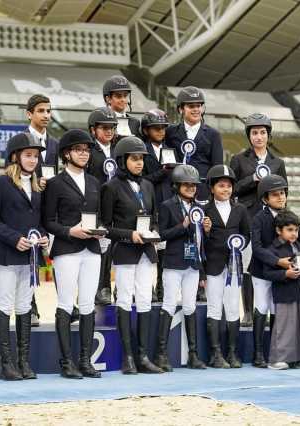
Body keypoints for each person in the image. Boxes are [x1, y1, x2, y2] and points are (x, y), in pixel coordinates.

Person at [0, 132, 48, 381]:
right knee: (5, 304)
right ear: (15, 156)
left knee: (24, 307)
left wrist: (41, 236)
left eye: (35, 156)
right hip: (8, 255)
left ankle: (23, 361)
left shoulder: (37, 186)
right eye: (28, 155)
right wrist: (14, 238)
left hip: (30, 257)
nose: (33, 160)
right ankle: (6, 364)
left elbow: (39, 222)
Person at [43, 129, 103, 379]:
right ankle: (67, 361)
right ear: (66, 153)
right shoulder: (55, 183)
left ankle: (86, 360)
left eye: (87, 150)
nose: (84, 154)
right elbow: (48, 221)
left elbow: (98, 216)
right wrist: (69, 231)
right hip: (67, 249)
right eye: (79, 150)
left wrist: (99, 231)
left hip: (92, 249)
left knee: (88, 304)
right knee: (66, 302)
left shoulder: (94, 183)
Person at [101, 136, 163, 375]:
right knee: (125, 300)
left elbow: (154, 217)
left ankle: (143, 356)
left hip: (146, 251)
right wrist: (129, 234)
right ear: (122, 160)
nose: (139, 163)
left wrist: (154, 232)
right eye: (134, 159)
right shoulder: (111, 187)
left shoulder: (148, 185)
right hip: (126, 251)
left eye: (141, 159)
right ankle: (128, 357)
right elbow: (106, 225)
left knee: (145, 300)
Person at [230, 113, 288, 327]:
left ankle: (272, 312)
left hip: (272, 222)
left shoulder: (278, 162)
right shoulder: (238, 160)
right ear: (249, 136)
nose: (258, 137)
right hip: (248, 219)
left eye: (262, 132)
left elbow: (284, 192)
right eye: (254, 133)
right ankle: (248, 311)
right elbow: (231, 188)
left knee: (272, 264)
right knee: (248, 266)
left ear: (268, 135)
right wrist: (252, 179)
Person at [249, 175, 300, 368]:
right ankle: (258, 352)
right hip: (262, 271)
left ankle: (277, 352)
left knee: (278, 310)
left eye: (282, 193)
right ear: (265, 199)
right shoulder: (258, 218)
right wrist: (277, 261)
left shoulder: (290, 216)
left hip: (284, 273)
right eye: (275, 195)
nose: (280, 198)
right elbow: (257, 248)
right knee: (261, 308)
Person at [155, 165, 207, 371]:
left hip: (193, 264)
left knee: (190, 306)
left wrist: (207, 230)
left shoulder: (199, 209)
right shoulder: (167, 206)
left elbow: (201, 242)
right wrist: (182, 226)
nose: (191, 188)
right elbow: (163, 235)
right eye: (187, 185)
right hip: (174, 262)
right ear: (177, 186)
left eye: (193, 185)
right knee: (168, 304)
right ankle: (161, 354)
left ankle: (193, 354)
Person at [202, 165, 251, 369]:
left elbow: (246, 235)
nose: (226, 190)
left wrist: (238, 246)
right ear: (212, 188)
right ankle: (215, 353)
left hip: (233, 265)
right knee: (214, 307)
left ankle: (232, 351)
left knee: (232, 308)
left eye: (229, 186)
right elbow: (200, 242)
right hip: (213, 264)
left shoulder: (240, 209)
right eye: (221, 186)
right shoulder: (204, 210)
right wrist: (205, 232)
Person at [263, 210, 300, 370]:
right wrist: (285, 273)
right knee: (285, 326)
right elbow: (267, 273)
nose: (294, 234)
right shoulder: (273, 250)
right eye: (289, 230)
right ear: (279, 230)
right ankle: (278, 359)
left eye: (296, 230)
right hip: (285, 293)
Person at [25, 94, 59, 326]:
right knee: (31, 257)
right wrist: (35, 182)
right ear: (29, 114)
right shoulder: (20, 140)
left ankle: (67, 304)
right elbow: (12, 173)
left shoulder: (56, 144)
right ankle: (31, 306)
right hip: (28, 206)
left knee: (58, 256)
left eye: (48, 111)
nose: (46, 115)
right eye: (41, 111)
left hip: (53, 209)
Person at [165, 86, 223, 202]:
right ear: (181, 109)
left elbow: (217, 168)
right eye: (191, 106)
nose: (196, 109)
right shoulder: (170, 132)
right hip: (175, 191)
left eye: (199, 106)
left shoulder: (213, 134)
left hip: (202, 192)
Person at [86, 107, 119, 305]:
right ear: (93, 130)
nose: (109, 131)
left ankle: (112, 286)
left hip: (117, 205)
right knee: (100, 247)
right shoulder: (89, 150)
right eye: (104, 128)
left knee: (114, 246)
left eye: (112, 128)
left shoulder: (118, 149)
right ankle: (101, 286)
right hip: (97, 205)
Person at [141, 109, 174, 303]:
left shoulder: (171, 150)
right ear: (146, 130)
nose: (161, 131)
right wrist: (161, 173)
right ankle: (148, 286)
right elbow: (141, 179)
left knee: (164, 248)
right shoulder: (142, 151)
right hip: (149, 201)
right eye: (156, 128)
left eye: (163, 128)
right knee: (148, 247)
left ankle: (161, 284)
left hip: (168, 203)